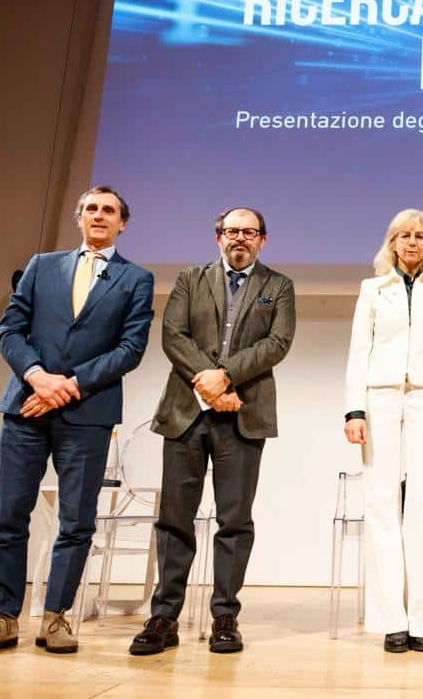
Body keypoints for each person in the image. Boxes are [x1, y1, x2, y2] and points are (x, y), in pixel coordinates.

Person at [0, 186, 155, 658]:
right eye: (91, 209)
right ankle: (3, 619)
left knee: (76, 521)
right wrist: (37, 377)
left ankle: (56, 617)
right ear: (79, 218)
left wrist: (68, 385)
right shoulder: (42, 266)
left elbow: (130, 349)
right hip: (26, 407)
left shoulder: (136, 278)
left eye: (108, 210)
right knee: (9, 517)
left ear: (123, 223)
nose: (99, 216)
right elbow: (10, 330)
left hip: (87, 414)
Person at [129, 206, 295, 655]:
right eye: (231, 231)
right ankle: (164, 616)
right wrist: (209, 384)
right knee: (174, 519)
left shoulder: (278, 286)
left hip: (244, 414)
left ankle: (225, 616)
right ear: (218, 237)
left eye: (249, 232)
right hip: (186, 412)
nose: (240, 238)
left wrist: (225, 377)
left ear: (263, 240)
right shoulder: (189, 278)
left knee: (234, 521)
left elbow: (277, 343)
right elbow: (173, 335)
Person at [343, 209, 423, 653]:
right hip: (379, 398)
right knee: (381, 504)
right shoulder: (372, 289)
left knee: (421, 506)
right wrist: (354, 410)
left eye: (420, 236)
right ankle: (392, 619)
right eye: (404, 235)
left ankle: (421, 620)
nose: (412, 242)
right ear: (391, 242)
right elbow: (359, 349)